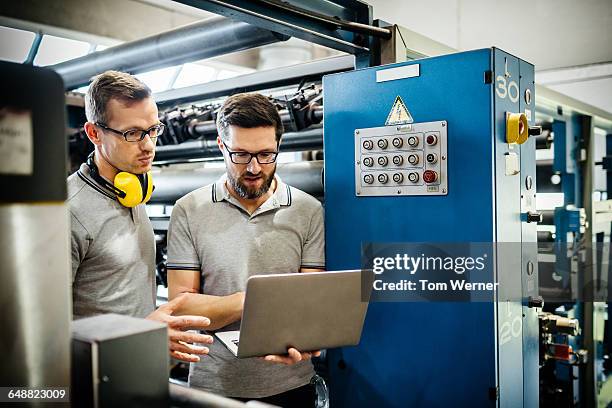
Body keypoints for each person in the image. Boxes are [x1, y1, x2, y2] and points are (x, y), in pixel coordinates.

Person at [166, 92, 326, 406]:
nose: (254, 167)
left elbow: (310, 301)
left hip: (292, 385)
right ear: (220, 146)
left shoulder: (307, 210)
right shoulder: (189, 209)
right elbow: (181, 308)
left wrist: (307, 340)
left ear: (279, 148)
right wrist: (253, 299)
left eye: (266, 154)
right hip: (212, 388)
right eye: (240, 154)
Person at [68, 70, 212, 362]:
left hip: (138, 369)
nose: (148, 145)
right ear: (94, 133)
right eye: (132, 133)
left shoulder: (132, 190)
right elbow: (41, 334)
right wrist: (143, 333)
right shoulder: (67, 212)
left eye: (153, 130)